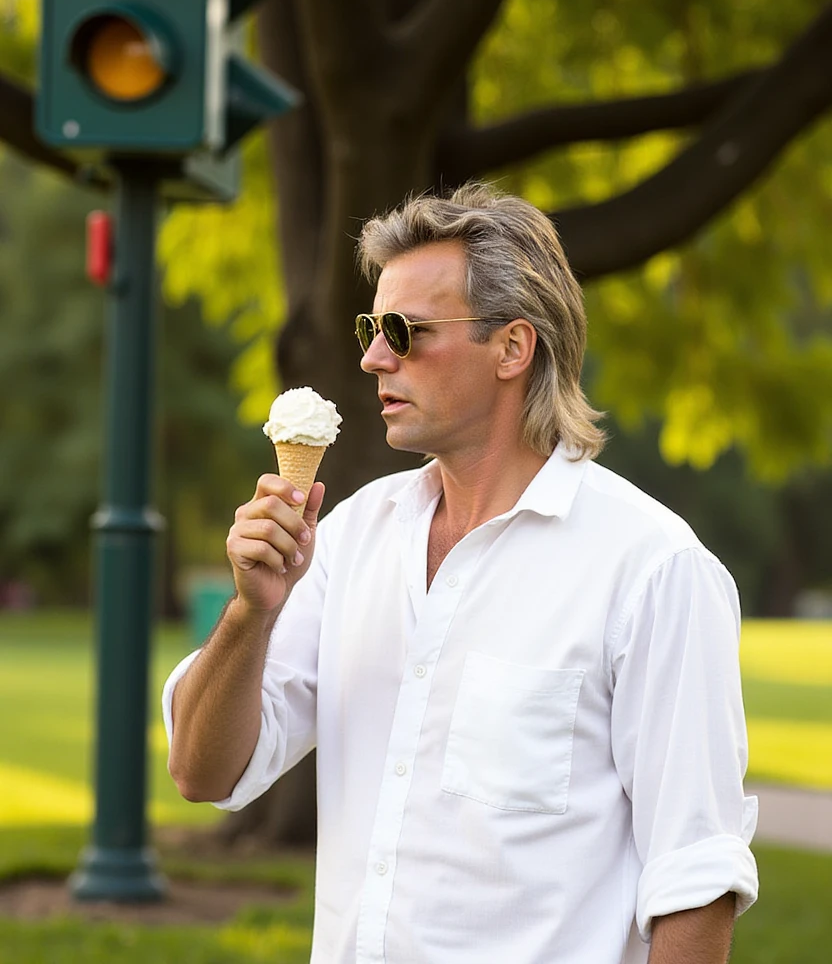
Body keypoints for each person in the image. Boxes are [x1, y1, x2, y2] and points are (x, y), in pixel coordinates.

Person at [164, 182, 758, 964]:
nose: (375, 355)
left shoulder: (654, 569)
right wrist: (252, 613)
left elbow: (695, 884)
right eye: (373, 326)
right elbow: (202, 771)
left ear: (513, 348)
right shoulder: (349, 539)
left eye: (405, 331)